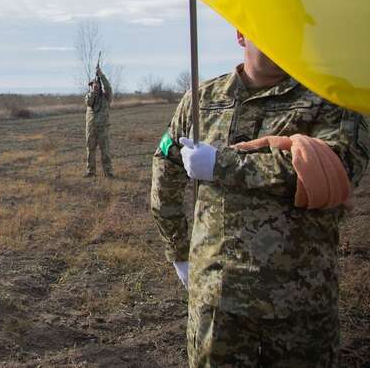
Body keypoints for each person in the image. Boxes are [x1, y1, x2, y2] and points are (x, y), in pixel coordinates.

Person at [150, 31, 369, 367]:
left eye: (291, 27)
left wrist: (221, 164)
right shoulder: (201, 100)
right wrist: (178, 251)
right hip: (218, 300)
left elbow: (337, 170)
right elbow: (166, 165)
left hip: (300, 302)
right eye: (270, 25)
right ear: (242, 34)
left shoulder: (329, 98)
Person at [84, 64, 113, 178]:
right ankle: (91, 172)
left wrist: (101, 75)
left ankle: (108, 172)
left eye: (96, 84)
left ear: (100, 85)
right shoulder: (89, 96)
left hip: (103, 129)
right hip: (91, 128)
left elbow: (108, 87)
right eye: (92, 85)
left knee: (105, 151)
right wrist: (93, 92)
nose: (94, 86)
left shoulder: (106, 97)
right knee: (90, 150)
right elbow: (89, 102)